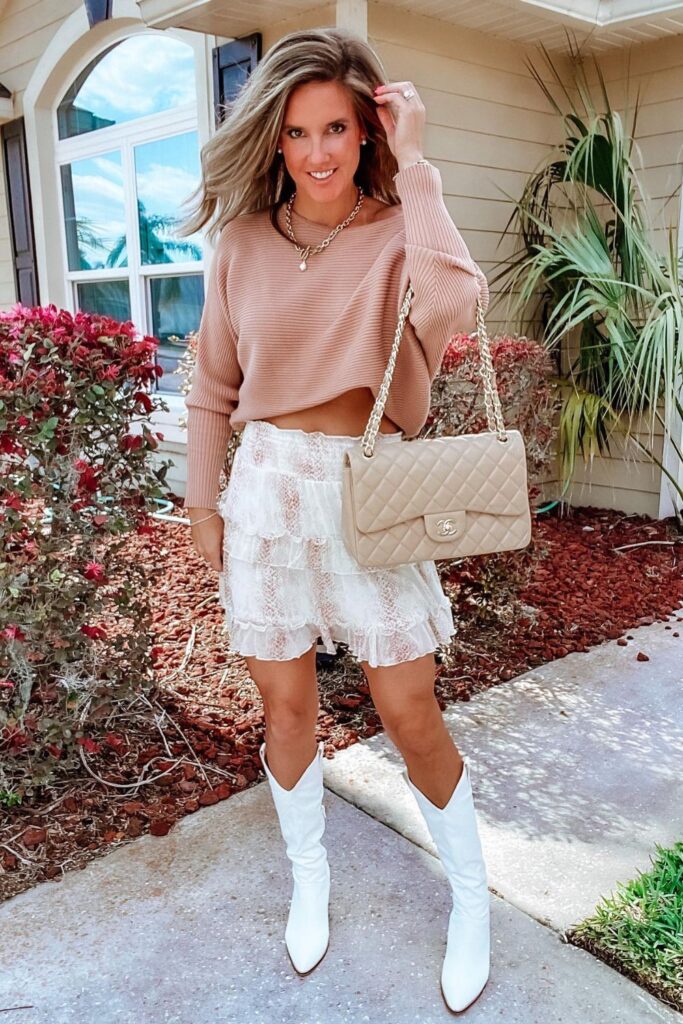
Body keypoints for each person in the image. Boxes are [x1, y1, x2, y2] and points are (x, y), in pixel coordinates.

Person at [179, 26, 491, 1014]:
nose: (318, 151)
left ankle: (471, 902)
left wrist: (423, 165)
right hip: (264, 493)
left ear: (367, 135)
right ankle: (309, 881)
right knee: (286, 711)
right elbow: (208, 389)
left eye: (340, 131)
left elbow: (457, 301)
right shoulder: (241, 245)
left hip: (367, 487)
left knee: (407, 709)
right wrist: (200, 503)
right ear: (274, 139)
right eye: (300, 131)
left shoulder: (399, 226)